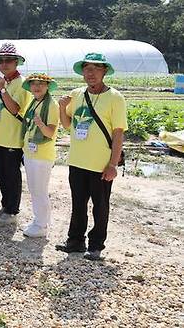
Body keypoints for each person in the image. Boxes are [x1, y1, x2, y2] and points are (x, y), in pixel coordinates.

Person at [56, 53, 127, 261]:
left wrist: (113, 164)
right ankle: (75, 241)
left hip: (101, 164)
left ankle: (96, 245)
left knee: (100, 206)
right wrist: (61, 107)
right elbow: (68, 124)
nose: (91, 72)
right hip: (77, 161)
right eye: (87, 68)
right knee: (78, 203)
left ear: (104, 71)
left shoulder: (115, 97)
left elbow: (118, 133)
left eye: (96, 68)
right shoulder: (77, 94)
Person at [0, 43, 31, 223]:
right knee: (0, 173)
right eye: (1, 61)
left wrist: (3, 90)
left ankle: (13, 210)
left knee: (12, 175)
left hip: (13, 138)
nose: (4, 64)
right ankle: (5, 204)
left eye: (8, 61)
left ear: (16, 62)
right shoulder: (4, 81)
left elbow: (15, 109)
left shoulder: (21, 84)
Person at [20, 73, 59, 237]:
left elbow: (50, 132)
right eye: (33, 84)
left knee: (40, 190)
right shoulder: (33, 102)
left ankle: (42, 225)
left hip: (42, 155)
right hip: (30, 153)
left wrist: (40, 124)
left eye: (41, 84)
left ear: (48, 86)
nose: (37, 87)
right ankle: (38, 220)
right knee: (33, 188)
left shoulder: (51, 105)